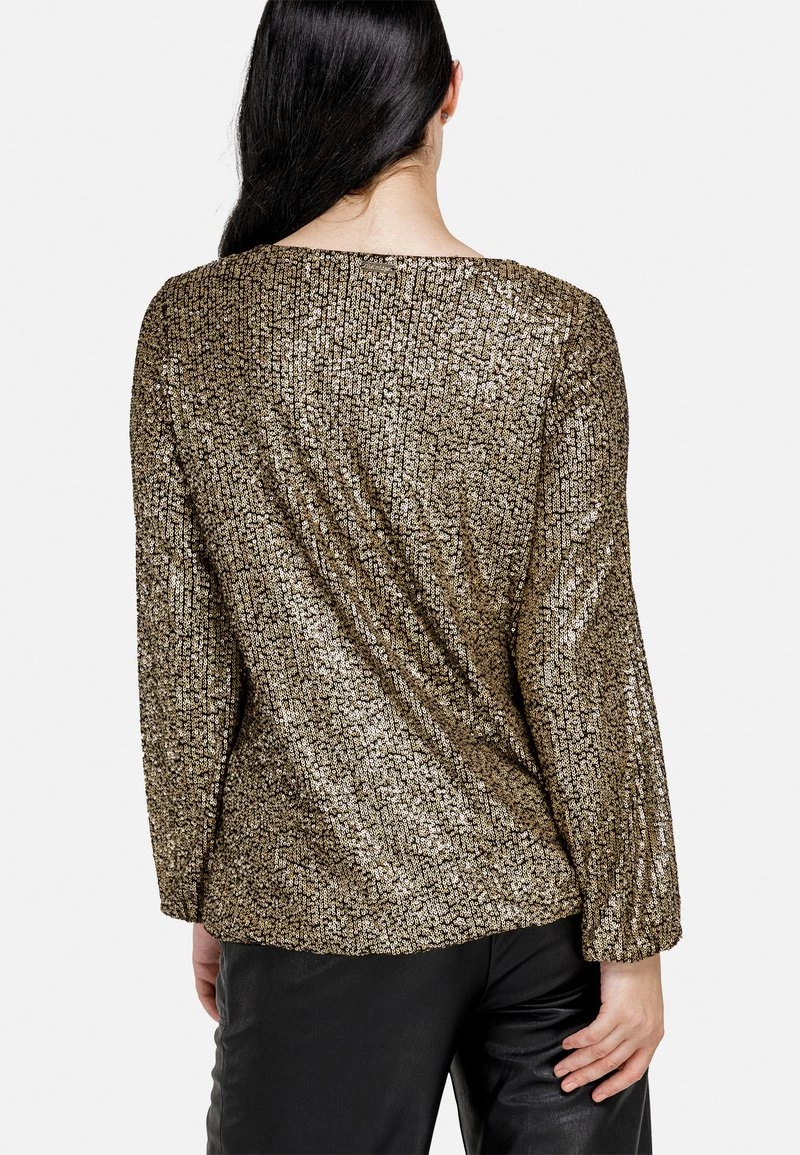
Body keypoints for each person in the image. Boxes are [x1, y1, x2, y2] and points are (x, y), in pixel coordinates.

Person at [128, 2, 683, 1153]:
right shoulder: (553, 328)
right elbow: (580, 652)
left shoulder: (195, 327)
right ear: (449, 92)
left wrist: (204, 884)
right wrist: (630, 939)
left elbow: (185, 649)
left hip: (311, 896)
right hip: (541, 910)